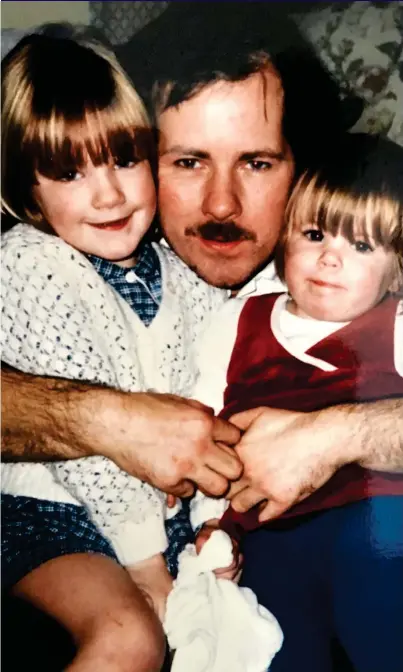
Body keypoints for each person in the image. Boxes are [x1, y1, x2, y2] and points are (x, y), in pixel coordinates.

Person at [2, 3, 403, 668]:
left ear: (303, 169)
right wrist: (106, 419)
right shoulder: (66, 246)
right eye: (187, 162)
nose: (220, 203)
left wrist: (338, 434)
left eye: (256, 163)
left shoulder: (359, 261)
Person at [1, 33, 241, 672]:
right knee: (130, 638)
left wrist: (215, 523)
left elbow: (212, 399)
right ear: (29, 192)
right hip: (46, 507)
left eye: (123, 160)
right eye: (70, 172)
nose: (108, 195)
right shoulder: (33, 265)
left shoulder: (180, 269)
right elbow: (92, 446)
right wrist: (146, 567)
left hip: (154, 520)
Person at [190, 132, 403, 671]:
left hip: (376, 518)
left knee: (380, 598)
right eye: (314, 234)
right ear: (285, 240)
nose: (330, 257)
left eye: (360, 245)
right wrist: (212, 525)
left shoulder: (396, 324)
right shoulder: (237, 322)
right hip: (269, 534)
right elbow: (203, 439)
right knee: (273, 644)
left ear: (396, 271)